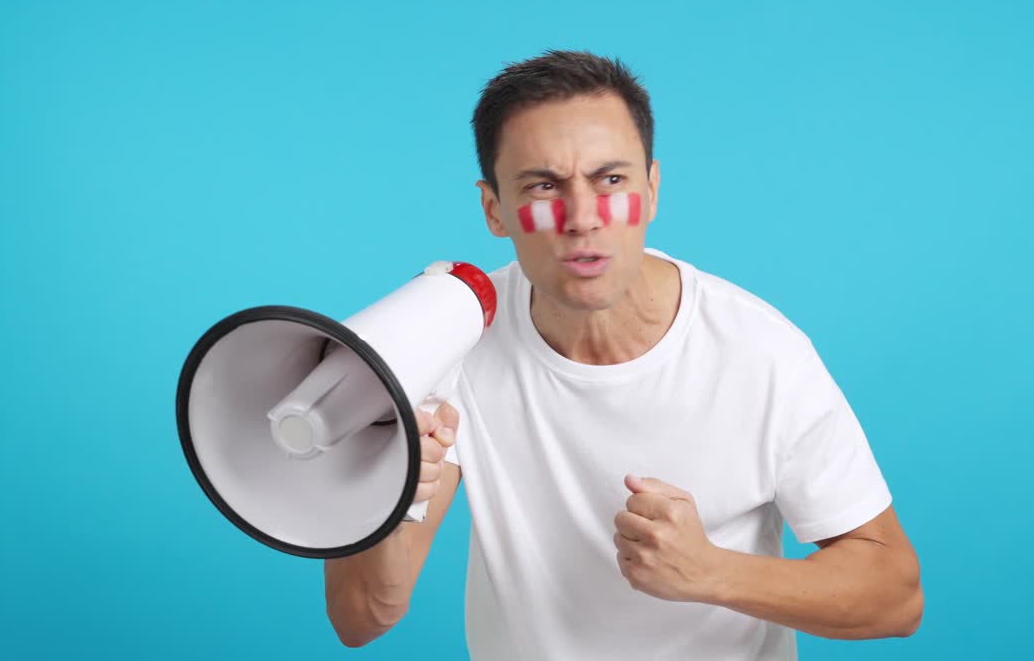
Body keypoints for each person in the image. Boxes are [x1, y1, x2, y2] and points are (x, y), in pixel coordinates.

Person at [324, 50, 923, 659]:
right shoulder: (455, 331)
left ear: (652, 189)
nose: (582, 218)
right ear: (494, 210)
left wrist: (712, 572)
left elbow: (896, 597)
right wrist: (386, 489)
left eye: (610, 180)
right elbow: (362, 618)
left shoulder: (760, 351)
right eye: (543, 186)